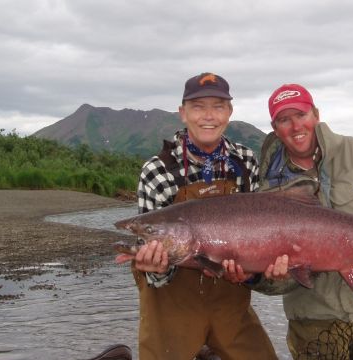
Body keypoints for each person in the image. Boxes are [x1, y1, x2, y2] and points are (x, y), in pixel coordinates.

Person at [224, 83, 353, 359]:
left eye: (301, 115)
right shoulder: (269, 191)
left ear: (315, 114)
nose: (295, 126)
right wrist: (257, 276)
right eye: (284, 120)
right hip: (314, 320)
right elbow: (275, 284)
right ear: (274, 127)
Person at [116, 72, 277, 360]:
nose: (208, 116)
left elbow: (260, 234)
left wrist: (252, 273)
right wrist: (156, 269)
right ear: (182, 113)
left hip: (231, 300)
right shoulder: (157, 170)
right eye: (198, 107)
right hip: (171, 306)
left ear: (229, 112)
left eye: (217, 106)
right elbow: (155, 268)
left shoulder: (245, 161)